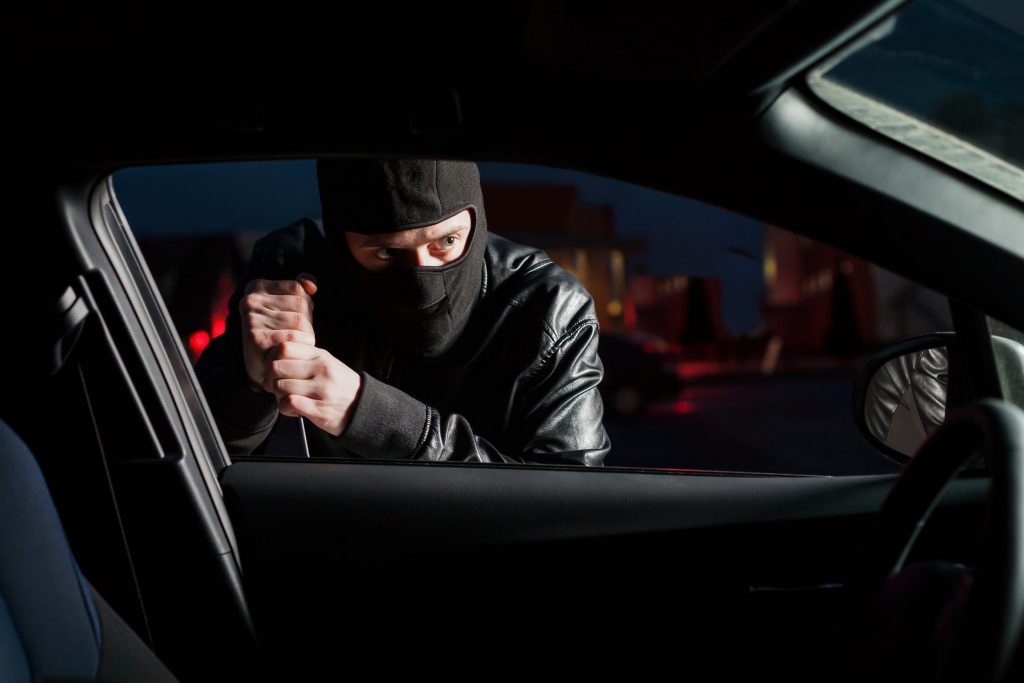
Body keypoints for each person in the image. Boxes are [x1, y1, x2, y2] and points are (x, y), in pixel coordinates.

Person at [195, 158, 610, 465]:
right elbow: (198, 469)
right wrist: (249, 385)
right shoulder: (290, 272)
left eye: (447, 242)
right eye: (387, 252)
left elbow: (572, 498)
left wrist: (369, 414)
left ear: (477, 222)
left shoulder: (549, 308)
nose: (422, 279)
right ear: (341, 243)